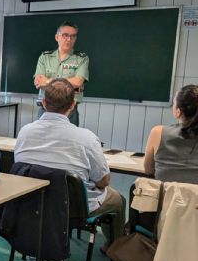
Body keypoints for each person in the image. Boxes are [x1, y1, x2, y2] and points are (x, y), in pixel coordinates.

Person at [15, 78, 125, 246]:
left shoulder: (24, 132)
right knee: (118, 199)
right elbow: (103, 180)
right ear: (73, 105)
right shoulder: (86, 138)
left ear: (43, 102)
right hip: (74, 209)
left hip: (34, 204)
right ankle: (115, 248)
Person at [34, 21, 88, 126]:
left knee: (68, 141)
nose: (69, 39)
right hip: (45, 109)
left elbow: (78, 81)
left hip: (69, 111)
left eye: (73, 36)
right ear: (57, 37)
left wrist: (48, 81)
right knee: (42, 140)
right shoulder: (45, 57)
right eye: (65, 35)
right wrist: (68, 83)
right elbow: (38, 82)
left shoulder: (81, 58)